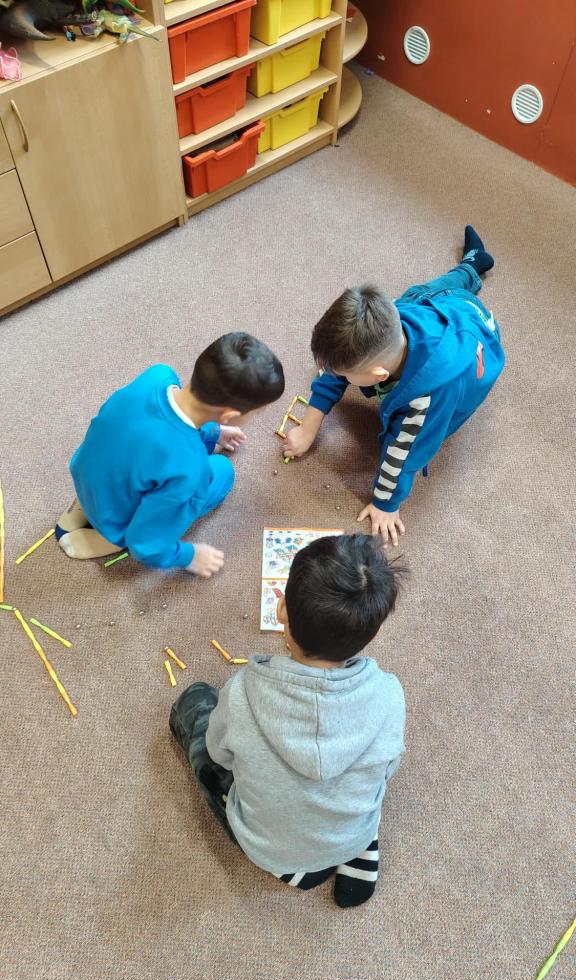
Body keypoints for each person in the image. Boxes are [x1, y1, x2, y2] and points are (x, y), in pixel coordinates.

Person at [170, 533, 406, 908]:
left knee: (195, 705)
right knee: (355, 789)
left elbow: (219, 754)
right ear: (371, 632)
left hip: (269, 847)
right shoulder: (390, 694)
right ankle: (354, 848)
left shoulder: (242, 692)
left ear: (281, 609)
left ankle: (296, 867)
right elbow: (387, 770)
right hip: (349, 832)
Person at [282, 227, 505, 547]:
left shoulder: (423, 402)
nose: (335, 374)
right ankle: (473, 264)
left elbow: (403, 455)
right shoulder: (394, 313)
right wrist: (308, 428)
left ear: (378, 373)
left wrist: (386, 504)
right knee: (436, 287)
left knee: (411, 437)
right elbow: (335, 370)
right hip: (448, 303)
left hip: (477, 340)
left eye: (344, 373)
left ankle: (468, 273)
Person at [56, 333, 284, 577]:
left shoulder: (157, 375)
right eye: (257, 413)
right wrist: (188, 556)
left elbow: (157, 426)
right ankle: (112, 537)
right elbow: (146, 543)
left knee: (142, 454)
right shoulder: (191, 469)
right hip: (119, 518)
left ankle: (87, 507)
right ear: (229, 415)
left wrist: (212, 431)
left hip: (87, 477)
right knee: (222, 471)